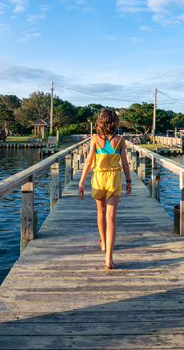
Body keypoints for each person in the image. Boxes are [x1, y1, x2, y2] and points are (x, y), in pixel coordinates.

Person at [78, 108, 132, 269]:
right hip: (114, 179)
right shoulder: (120, 140)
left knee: (100, 212)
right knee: (111, 217)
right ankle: (108, 258)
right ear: (115, 122)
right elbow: (125, 163)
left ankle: (103, 243)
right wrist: (129, 180)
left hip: (98, 179)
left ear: (100, 121)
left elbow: (88, 162)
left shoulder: (95, 139)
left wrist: (81, 183)